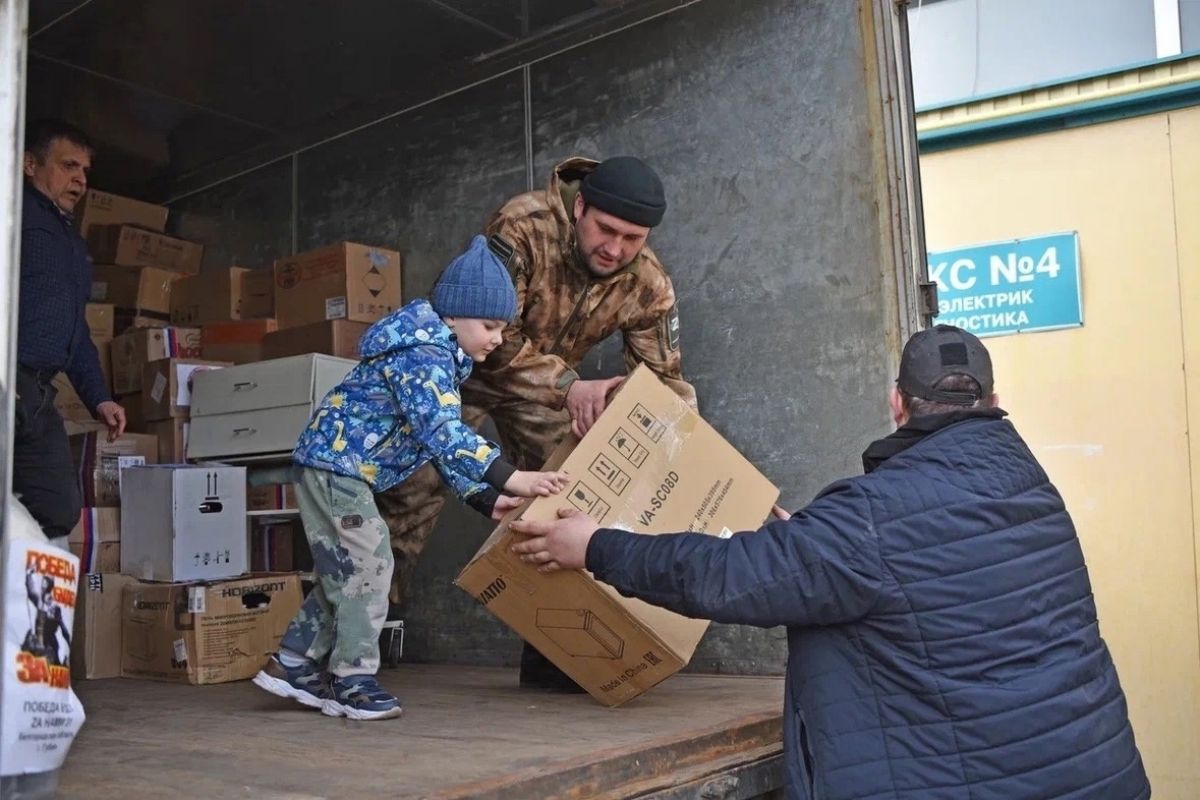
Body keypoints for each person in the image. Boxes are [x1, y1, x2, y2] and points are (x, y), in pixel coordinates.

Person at [511, 325, 1150, 799]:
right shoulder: (1031, 490)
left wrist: (594, 545)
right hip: (1091, 773)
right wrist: (815, 543)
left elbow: (728, 578)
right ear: (992, 400)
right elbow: (922, 574)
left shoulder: (875, 518)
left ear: (898, 403)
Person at [379, 155, 697, 691]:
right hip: (464, 371)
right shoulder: (523, 226)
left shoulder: (648, 284)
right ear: (579, 208)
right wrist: (573, 387)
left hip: (548, 394)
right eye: (606, 229)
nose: (615, 249)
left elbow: (665, 387)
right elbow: (490, 338)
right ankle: (363, 633)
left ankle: (556, 647)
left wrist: (687, 453)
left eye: (633, 238)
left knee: (574, 496)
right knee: (408, 488)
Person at [254, 236, 570, 721]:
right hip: (335, 467)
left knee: (350, 570)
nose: (498, 338)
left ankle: (292, 663)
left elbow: (431, 446)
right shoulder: (422, 357)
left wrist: (486, 499)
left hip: (339, 469)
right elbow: (443, 432)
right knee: (371, 565)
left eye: (503, 328)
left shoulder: (441, 359)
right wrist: (513, 479)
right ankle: (352, 679)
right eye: (489, 325)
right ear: (450, 318)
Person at [15, 119, 125, 547]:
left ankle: (28, 610)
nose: (80, 179)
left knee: (58, 505)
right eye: (68, 166)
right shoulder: (12, 213)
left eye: (85, 171)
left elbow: (74, 328)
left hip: (39, 394)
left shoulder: (71, 243)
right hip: (8, 379)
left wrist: (99, 397)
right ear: (29, 164)